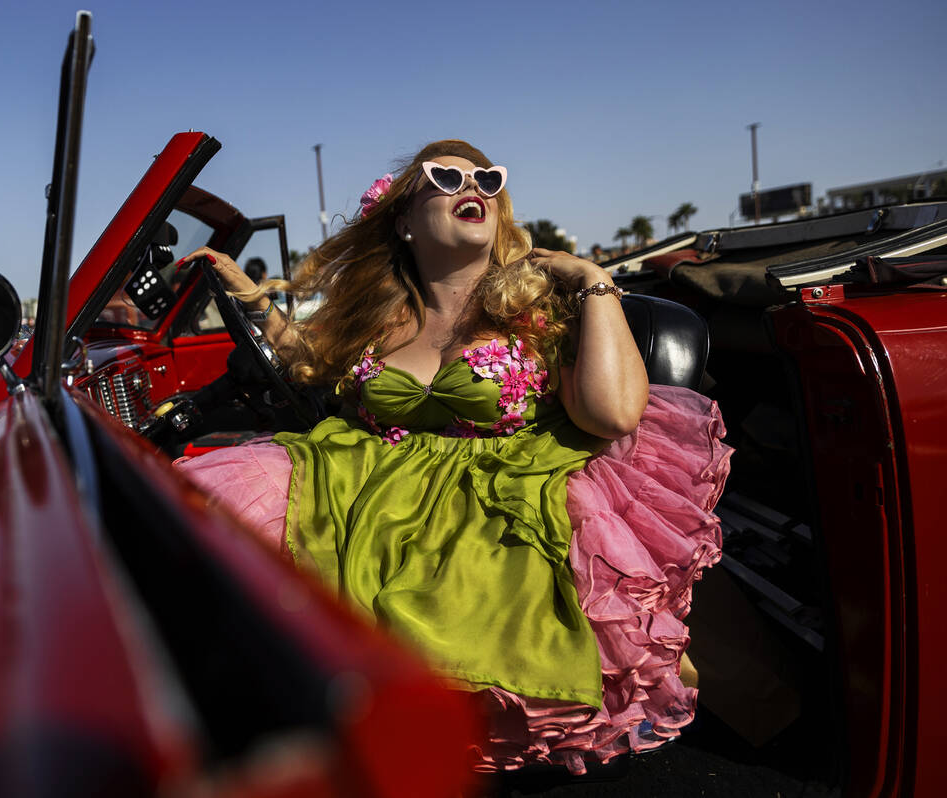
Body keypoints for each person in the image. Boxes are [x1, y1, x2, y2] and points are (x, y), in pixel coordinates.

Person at [175, 140, 729, 774]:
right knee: (199, 515)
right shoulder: (371, 321)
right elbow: (304, 356)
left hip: (507, 498)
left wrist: (590, 281)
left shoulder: (539, 312)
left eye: (488, 180)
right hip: (362, 489)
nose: (475, 188)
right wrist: (248, 294)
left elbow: (611, 415)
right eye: (446, 176)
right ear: (404, 221)